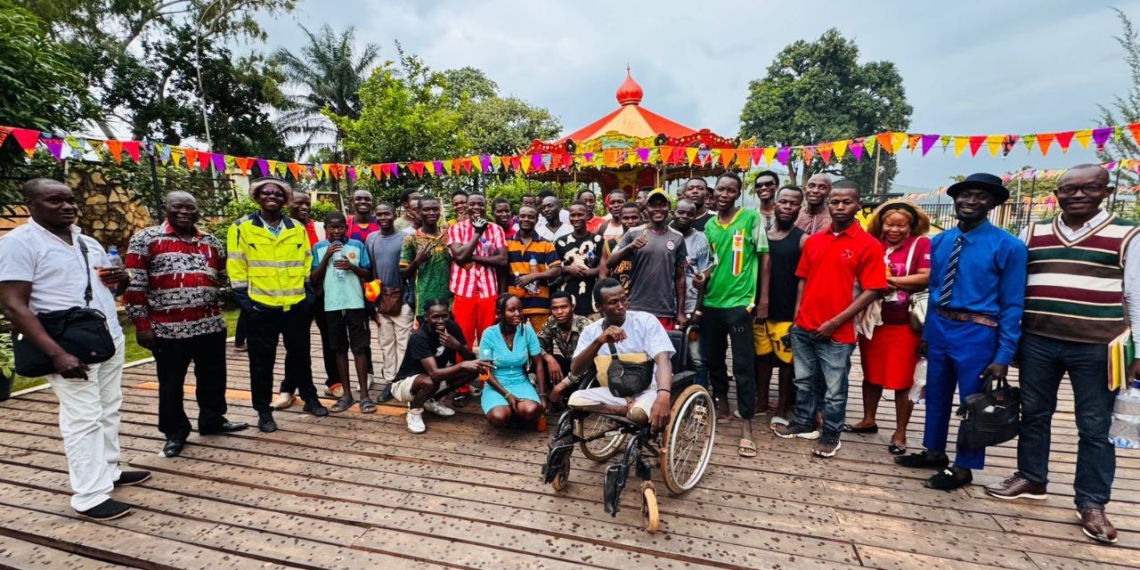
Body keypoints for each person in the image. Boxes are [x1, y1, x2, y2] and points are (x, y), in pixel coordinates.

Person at [985, 165, 1137, 544]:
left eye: (1089, 188)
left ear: (1106, 191)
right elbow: (1016, 285)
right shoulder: (1033, 232)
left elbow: (1135, 295)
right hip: (1039, 339)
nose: (1078, 195)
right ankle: (1032, 477)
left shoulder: (1127, 235)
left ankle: (1091, 502)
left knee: (1094, 425)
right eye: (1069, 189)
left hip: (1098, 344)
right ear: (1057, 193)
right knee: (1034, 413)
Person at [0, 178, 147, 521]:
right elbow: (13, 306)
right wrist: (56, 355)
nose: (67, 206)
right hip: (66, 345)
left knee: (109, 407)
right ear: (31, 205)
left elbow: (105, 286)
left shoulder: (87, 241)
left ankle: (108, 471)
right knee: (83, 418)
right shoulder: (19, 244)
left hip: (105, 337)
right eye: (55, 201)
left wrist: (120, 280)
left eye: (70, 201)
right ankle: (89, 495)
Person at [896, 173, 1026, 490]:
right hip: (940, 325)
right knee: (934, 393)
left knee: (974, 402)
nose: (970, 201)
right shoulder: (940, 242)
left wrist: (1004, 354)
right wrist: (927, 335)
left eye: (980, 196)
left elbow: (1013, 303)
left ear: (993, 203)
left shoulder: (1008, 246)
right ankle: (934, 451)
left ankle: (964, 466)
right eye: (965, 195)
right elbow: (935, 288)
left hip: (979, 330)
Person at [124, 191, 248, 459]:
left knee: (213, 378)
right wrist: (142, 324)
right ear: (166, 208)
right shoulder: (146, 239)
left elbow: (223, 275)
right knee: (171, 383)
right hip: (168, 327)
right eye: (177, 207)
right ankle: (175, 433)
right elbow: (135, 285)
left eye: (190, 207)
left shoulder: (210, 242)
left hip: (209, 324)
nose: (185, 211)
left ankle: (213, 420)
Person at [773, 181, 886, 458]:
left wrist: (835, 322)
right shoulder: (815, 240)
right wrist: (798, 317)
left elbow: (873, 289)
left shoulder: (868, 245)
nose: (839, 207)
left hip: (839, 331)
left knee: (835, 389)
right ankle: (803, 423)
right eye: (834, 202)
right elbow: (803, 279)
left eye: (846, 202)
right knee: (803, 380)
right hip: (804, 326)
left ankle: (831, 434)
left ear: (858, 205)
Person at [227, 178, 329, 433]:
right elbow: (236, 267)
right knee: (261, 363)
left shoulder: (295, 227)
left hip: (295, 305)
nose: (272, 196)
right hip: (261, 307)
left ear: (285, 200)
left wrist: (307, 296)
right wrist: (246, 304)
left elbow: (306, 262)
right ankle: (263, 411)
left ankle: (309, 397)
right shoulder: (241, 227)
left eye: (278, 193)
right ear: (258, 197)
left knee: (301, 356)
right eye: (266, 192)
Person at [846, 200, 931, 456]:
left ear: (911, 225)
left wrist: (888, 280)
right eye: (889, 224)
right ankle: (868, 418)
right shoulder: (874, 244)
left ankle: (900, 432)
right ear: (881, 224)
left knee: (903, 378)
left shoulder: (921, 244)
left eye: (901, 225)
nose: (894, 230)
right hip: (875, 322)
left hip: (905, 324)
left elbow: (925, 276)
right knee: (871, 374)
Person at [702, 172, 769, 458]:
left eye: (731, 190)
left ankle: (747, 424)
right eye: (720, 189)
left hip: (741, 304)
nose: (724, 194)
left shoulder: (751, 219)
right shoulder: (709, 225)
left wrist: (763, 300)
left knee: (743, 365)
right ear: (714, 193)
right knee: (713, 359)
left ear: (738, 194)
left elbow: (765, 257)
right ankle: (723, 407)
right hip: (712, 303)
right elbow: (708, 263)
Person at [551, 279, 674, 430]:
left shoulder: (645, 322)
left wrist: (663, 395)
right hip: (614, 393)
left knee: (638, 415)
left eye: (623, 300)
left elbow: (663, 359)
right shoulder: (591, 331)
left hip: (647, 391)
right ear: (598, 306)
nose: (621, 306)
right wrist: (599, 342)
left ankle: (633, 412)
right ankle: (625, 412)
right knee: (575, 399)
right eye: (613, 302)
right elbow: (576, 369)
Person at [272, 191, 340, 408]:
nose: (304, 207)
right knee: (296, 344)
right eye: (298, 202)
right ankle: (288, 389)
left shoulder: (321, 228)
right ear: (287, 204)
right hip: (295, 293)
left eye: (307, 203)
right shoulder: (282, 229)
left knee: (329, 337)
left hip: (321, 293)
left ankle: (334, 381)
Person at [447, 193, 508, 407]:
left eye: (480, 204)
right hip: (463, 293)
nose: (476, 208)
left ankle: (487, 384)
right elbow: (458, 256)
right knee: (461, 341)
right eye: (472, 204)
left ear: (485, 207)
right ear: (466, 206)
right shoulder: (456, 229)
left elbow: (501, 259)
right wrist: (477, 233)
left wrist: (470, 256)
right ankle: (463, 386)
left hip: (488, 293)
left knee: (488, 342)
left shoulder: (497, 230)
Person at [754, 186, 807, 426]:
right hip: (759, 310)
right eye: (783, 202)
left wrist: (798, 313)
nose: (787, 207)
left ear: (799, 208)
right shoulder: (761, 234)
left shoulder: (802, 239)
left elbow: (804, 279)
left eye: (793, 203)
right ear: (774, 204)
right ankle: (762, 401)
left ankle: (783, 406)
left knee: (787, 362)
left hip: (786, 310)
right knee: (762, 358)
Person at [311, 212, 374, 413]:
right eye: (332, 227)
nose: (336, 231)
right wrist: (327, 256)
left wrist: (351, 267)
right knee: (339, 349)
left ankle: (364, 395)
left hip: (355, 304)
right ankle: (346, 394)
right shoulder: (319, 248)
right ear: (326, 229)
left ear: (346, 229)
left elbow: (368, 273)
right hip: (332, 305)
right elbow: (314, 277)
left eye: (340, 227)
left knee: (359, 348)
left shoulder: (357, 246)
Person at [390, 299, 483, 434]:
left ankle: (431, 400)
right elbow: (434, 374)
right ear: (426, 318)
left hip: (436, 378)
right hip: (406, 384)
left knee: (473, 370)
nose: (441, 321)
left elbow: (471, 359)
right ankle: (414, 411)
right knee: (430, 381)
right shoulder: (419, 337)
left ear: (449, 315)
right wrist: (462, 365)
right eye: (435, 317)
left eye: (444, 316)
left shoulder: (452, 327)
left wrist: (457, 346)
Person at [607, 189, 687, 330]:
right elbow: (610, 262)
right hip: (635, 306)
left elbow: (680, 277)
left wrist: (680, 312)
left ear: (669, 208)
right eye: (653, 205)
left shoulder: (677, 237)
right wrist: (629, 248)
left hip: (665, 309)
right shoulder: (633, 233)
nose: (657, 209)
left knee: (661, 351)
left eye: (662, 205)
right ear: (646, 209)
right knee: (636, 351)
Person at [365, 204, 416, 402]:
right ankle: (390, 380)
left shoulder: (405, 238)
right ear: (374, 216)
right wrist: (372, 301)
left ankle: (403, 380)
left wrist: (411, 299)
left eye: (387, 213)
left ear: (395, 215)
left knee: (403, 341)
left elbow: (411, 270)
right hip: (381, 298)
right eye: (379, 214)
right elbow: (370, 270)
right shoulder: (372, 238)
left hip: (402, 297)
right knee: (386, 342)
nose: (383, 217)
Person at [480, 293, 548, 425]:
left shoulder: (527, 331)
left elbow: (539, 364)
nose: (518, 313)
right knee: (498, 417)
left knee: (531, 410)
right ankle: (509, 410)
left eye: (520, 309)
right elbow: (484, 372)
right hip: (496, 386)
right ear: (500, 313)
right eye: (512, 310)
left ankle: (515, 411)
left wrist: (542, 396)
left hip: (521, 383)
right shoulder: (489, 334)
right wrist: (507, 395)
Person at [671, 198, 714, 388]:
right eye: (681, 212)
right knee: (671, 355)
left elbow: (704, 277)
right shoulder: (666, 235)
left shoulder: (700, 240)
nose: (685, 217)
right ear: (674, 212)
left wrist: (698, 311)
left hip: (691, 306)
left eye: (690, 213)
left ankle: (701, 396)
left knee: (696, 357)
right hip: (666, 306)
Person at [507, 205, 562, 331]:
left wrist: (532, 276)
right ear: (517, 218)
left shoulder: (546, 244)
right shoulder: (507, 243)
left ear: (537, 219)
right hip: (514, 301)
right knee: (514, 340)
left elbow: (557, 269)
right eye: (523, 216)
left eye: (531, 217)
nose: (526, 219)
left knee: (542, 341)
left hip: (539, 302)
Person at [401, 196, 452, 318]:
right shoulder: (411, 239)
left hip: (450, 301)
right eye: (427, 209)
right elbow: (402, 273)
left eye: (435, 209)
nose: (432, 213)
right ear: (418, 212)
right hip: (425, 302)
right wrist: (417, 261)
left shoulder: (450, 235)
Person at [556, 201, 606, 319]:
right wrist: (568, 269)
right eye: (573, 215)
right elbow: (555, 269)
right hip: (568, 299)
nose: (576, 218)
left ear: (587, 216)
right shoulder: (560, 242)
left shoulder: (598, 240)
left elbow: (604, 267)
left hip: (592, 300)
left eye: (580, 215)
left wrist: (587, 272)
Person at [539, 291, 591, 398]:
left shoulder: (585, 326)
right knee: (543, 359)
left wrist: (562, 385)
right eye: (555, 308)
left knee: (577, 397)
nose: (559, 312)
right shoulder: (552, 322)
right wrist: (549, 358)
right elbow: (535, 344)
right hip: (571, 366)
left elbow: (585, 366)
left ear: (572, 307)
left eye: (564, 307)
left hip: (588, 370)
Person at [599, 202, 644, 292]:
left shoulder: (648, 241)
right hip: (618, 297)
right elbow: (603, 275)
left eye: (634, 217)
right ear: (620, 220)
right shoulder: (609, 244)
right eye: (626, 218)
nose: (630, 221)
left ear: (641, 218)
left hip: (643, 296)